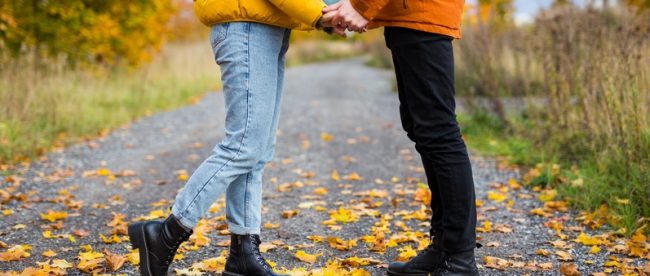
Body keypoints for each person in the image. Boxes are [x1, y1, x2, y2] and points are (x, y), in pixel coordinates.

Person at [127, 1, 340, 275]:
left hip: (265, 25)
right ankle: (168, 232)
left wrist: (332, 8)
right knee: (243, 146)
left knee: (258, 150)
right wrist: (318, 15)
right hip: (246, 26)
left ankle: (243, 252)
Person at [325, 0, 480, 275]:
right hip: (409, 16)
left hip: (423, 13)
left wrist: (362, 5)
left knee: (439, 132)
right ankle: (444, 246)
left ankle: (459, 256)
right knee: (422, 128)